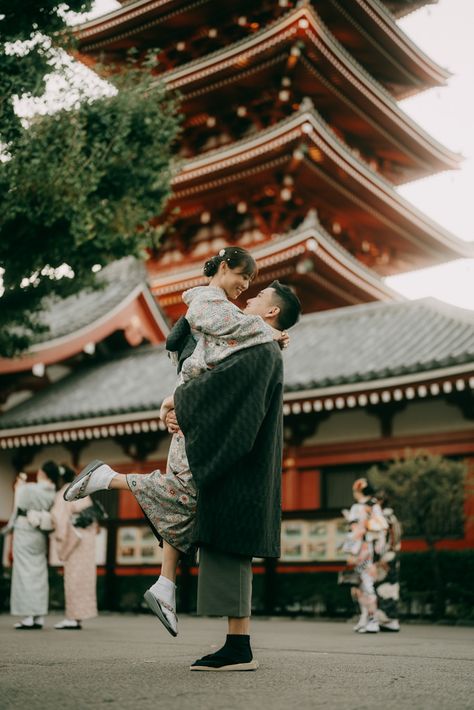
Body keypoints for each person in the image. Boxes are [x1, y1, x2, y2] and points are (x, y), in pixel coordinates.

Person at [64, 247, 299, 646]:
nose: (248, 291)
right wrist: (270, 333)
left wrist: (177, 400)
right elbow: (231, 335)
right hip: (198, 418)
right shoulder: (211, 305)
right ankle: (109, 478)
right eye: (245, 279)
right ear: (224, 268)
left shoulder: (232, 319)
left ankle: (165, 585)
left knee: (185, 499)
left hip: (197, 414)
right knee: (183, 492)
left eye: (255, 292)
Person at [8, 461, 61, 629]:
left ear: (41, 473)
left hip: (25, 530)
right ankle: (38, 615)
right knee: (38, 572)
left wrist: (18, 487)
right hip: (40, 533)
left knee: (25, 572)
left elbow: (19, 506)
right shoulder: (53, 492)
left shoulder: (30, 488)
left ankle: (29, 615)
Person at [51, 464, 100, 630]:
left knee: (73, 577)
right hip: (86, 537)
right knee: (84, 577)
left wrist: (59, 537)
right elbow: (92, 515)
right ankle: (78, 616)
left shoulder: (64, 493)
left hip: (74, 537)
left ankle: (72, 617)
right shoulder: (81, 490)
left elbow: (59, 519)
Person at [341, 478, 388, 634]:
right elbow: (382, 529)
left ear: (359, 491)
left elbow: (354, 531)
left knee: (364, 585)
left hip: (360, 553)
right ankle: (365, 618)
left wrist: (349, 550)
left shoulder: (357, 508)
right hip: (370, 552)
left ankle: (372, 620)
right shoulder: (375, 507)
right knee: (361, 586)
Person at [374, 489, 402, 632]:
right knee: (390, 588)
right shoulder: (392, 517)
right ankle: (390, 620)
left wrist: (379, 558)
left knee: (383, 588)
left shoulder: (383, 518)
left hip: (385, 557)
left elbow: (382, 540)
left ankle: (387, 620)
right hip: (392, 556)